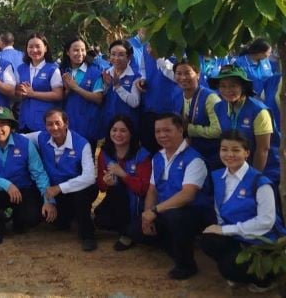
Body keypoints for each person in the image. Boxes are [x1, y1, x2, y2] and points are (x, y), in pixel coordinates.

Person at [200, 131, 286, 293]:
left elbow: (266, 222)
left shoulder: (260, 182)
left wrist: (225, 230)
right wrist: (222, 230)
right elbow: (219, 212)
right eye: (224, 149)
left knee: (228, 267)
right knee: (208, 240)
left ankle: (265, 279)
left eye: (236, 150)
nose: (229, 154)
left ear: (246, 153)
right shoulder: (218, 177)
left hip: (262, 242)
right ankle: (239, 269)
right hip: (238, 237)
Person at [131, 113, 213, 280]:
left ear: (180, 130)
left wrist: (154, 211)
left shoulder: (194, 159)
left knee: (176, 218)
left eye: (167, 130)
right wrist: (147, 216)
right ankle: (173, 246)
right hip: (164, 211)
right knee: (135, 230)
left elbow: (187, 195)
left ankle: (186, 265)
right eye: (158, 131)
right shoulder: (157, 157)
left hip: (191, 212)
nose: (162, 135)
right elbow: (152, 190)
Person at [0, 106, 57, 246]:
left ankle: (18, 219)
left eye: (2, 124)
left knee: (32, 218)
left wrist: (49, 201)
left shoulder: (25, 143)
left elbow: (39, 174)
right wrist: (6, 185)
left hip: (22, 190)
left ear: (11, 126)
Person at [26, 109, 98, 251]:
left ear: (66, 123)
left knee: (81, 195)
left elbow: (89, 177)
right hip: (55, 192)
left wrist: (60, 188)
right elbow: (16, 137)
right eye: (49, 124)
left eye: (58, 123)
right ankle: (69, 217)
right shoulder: (41, 137)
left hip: (76, 189)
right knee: (58, 223)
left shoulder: (82, 143)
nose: (54, 128)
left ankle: (88, 235)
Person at [209, 65, 281, 187]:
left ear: (243, 86)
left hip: (265, 171)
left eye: (233, 85)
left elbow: (263, 150)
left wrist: (253, 180)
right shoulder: (219, 108)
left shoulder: (259, 111)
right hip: (236, 169)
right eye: (223, 86)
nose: (227, 90)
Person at [94, 115, 151, 251]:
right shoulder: (105, 153)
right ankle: (124, 227)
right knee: (100, 219)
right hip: (116, 198)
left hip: (137, 202)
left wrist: (123, 175)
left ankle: (127, 234)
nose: (118, 134)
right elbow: (101, 187)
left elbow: (143, 189)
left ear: (131, 133)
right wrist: (106, 182)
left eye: (123, 130)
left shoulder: (142, 155)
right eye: (114, 130)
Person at [168, 61, 222, 169]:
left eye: (187, 73)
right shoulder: (176, 96)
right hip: (188, 153)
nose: (183, 77)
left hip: (210, 155)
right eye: (178, 73)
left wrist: (189, 129)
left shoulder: (210, 98)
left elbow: (218, 130)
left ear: (198, 74)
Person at [60, 36, 104, 145]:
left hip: (88, 125)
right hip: (67, 125)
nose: (80, 53)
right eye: (76, 50)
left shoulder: (94, 72)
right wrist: (67, 90)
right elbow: (60, 98)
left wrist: (76, 88)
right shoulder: (62, 71)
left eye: (83, 50)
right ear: (67, 52)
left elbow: (99, 98)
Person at [16, 33, 63, 133]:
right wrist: (19, 92)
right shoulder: (21, 68)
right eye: (30, 47)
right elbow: (17, 92)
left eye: (38, 46)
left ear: (45, 48)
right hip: (24, 121)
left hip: (45, 123)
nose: (34, 50)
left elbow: (58, 95)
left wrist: (33, 94)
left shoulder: (52, 69)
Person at [100, 40, 141, 137]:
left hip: (129, 125)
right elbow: (101, 98)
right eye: (113, 54)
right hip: (110, 124)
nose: (116, 58)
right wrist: (106, 86)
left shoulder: (136, 76)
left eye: (121, 55)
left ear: (129, 57)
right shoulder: (105, 73)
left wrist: (118, 86)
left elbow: (135, 102)